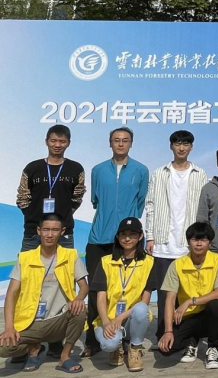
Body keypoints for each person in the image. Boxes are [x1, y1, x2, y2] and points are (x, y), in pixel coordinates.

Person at [83, 127, 149, 358]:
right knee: (96, 291)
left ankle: (126, 338)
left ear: (131, 143)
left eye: (125, 140)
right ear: (110, 143)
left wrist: (129, 233)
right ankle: (92, 340)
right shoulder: (98, 170)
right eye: (116, 140)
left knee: (128, 289)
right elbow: (95, 200)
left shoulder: (141, 170)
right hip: (99, 238)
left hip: (126, 239)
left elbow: (140, 202)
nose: (120, 144)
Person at [0, 214, 88, 373]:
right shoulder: (24, 258)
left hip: (58, 321)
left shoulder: (71, 255)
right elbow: (11, 294)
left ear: (62, 231)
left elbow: (84, 286)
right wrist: (9, 327)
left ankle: (65, 357)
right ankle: (33, 349)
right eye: (46, 229)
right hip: (30, 322)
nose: (50, 234)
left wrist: (79, 298)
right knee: (4, 347)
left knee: (80, 310)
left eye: (55, 230)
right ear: (39, 230)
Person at [144, 130, 208, 341]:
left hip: (189, 244)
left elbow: (204, 209)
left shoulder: (200, 174)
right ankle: (163, 333)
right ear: (171, 146)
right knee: (165, 293)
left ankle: (186, 336)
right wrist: (150, 236)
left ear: (191, 147)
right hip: (164, 242)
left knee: (189, 292)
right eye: (178, 144)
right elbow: (151, 205)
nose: (182, 148)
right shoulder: (160, 173)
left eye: (186, 144)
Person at [158, 222, 218, 370]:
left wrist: (190, 301)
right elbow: (170, 299)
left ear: (210, 242)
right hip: (187, 317)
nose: (199, 244)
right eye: (195, 239)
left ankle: (213, 348)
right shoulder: (177, 264)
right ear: (188, 242)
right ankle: (192, 341)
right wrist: (168, 331)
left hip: (209, 314)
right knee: (166, 349)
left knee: (217, 304)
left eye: (203, 240)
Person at [90, 217, 158, 371]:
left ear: (140, 236)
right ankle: (116, 348)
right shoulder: (106, 261)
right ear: (117, 237)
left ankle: (135, 348)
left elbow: (145, 301)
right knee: (109, 344)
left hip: (130, 318)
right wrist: (106, 322)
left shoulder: (149, 262)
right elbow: (101, 298)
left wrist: (120, 318)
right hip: (108, 318)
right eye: (123, 234)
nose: (127, 239)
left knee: (141, 309)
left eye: (132, 234)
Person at [16, 124, 85, 251]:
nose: (57, 145)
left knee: (65, 265)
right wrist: (33, 215)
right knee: (27, 264)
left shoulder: (76, 169)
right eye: (53, 141)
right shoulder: (32, 168)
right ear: (46, 142)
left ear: (68, 143)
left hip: (64, 233)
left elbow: (77, 197)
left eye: (62, 141)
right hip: (34, 232)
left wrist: (64, 214)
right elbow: (22, 197)